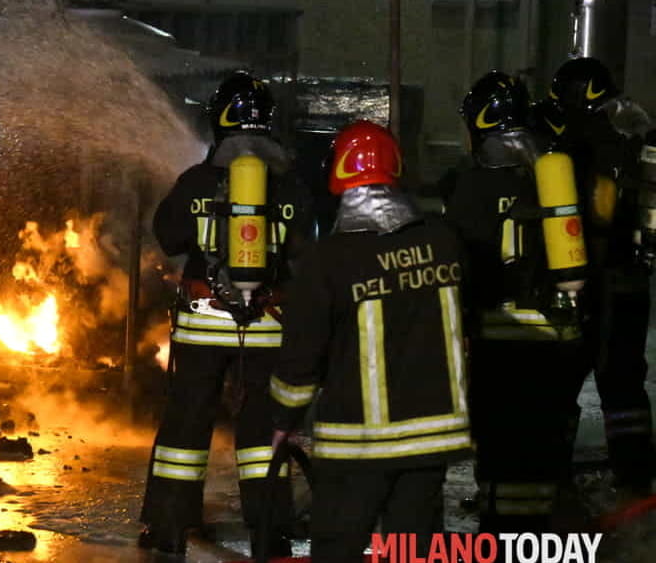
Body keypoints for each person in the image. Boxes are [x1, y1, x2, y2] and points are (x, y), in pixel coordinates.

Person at [271, 120, 472, 562]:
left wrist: (284, 418)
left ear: (339, 179)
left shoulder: (329, 261)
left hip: (356, 442)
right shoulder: (444, 242)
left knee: (337, 546)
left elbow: (301, 355)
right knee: (411, 549)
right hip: (431, 440)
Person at [138, 70, 314, 558]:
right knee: (262, 430)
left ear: (219, 122)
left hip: (201, 321)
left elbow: (168, 238)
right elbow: (307, 253)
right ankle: (269, 527)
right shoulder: (292, 189)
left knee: (186, 426)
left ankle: (169, 527)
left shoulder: (195, 182)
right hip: (269, 327)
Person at [445, 71, 587, 531]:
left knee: (500, 439)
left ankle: (502, 535)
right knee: (541, 438)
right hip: (560, 331)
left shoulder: (471, 186)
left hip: (502, 333)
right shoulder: (555, 173)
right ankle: (541, 533)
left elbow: (462, 265)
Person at [548, 57, 656, 496]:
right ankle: (635, 474)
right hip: (633, 280)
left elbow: (586, 213)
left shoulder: (587, 137)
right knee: (625, 381)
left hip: (595, 279)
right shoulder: (638, 131)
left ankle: (552, 471)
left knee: (563, 376)